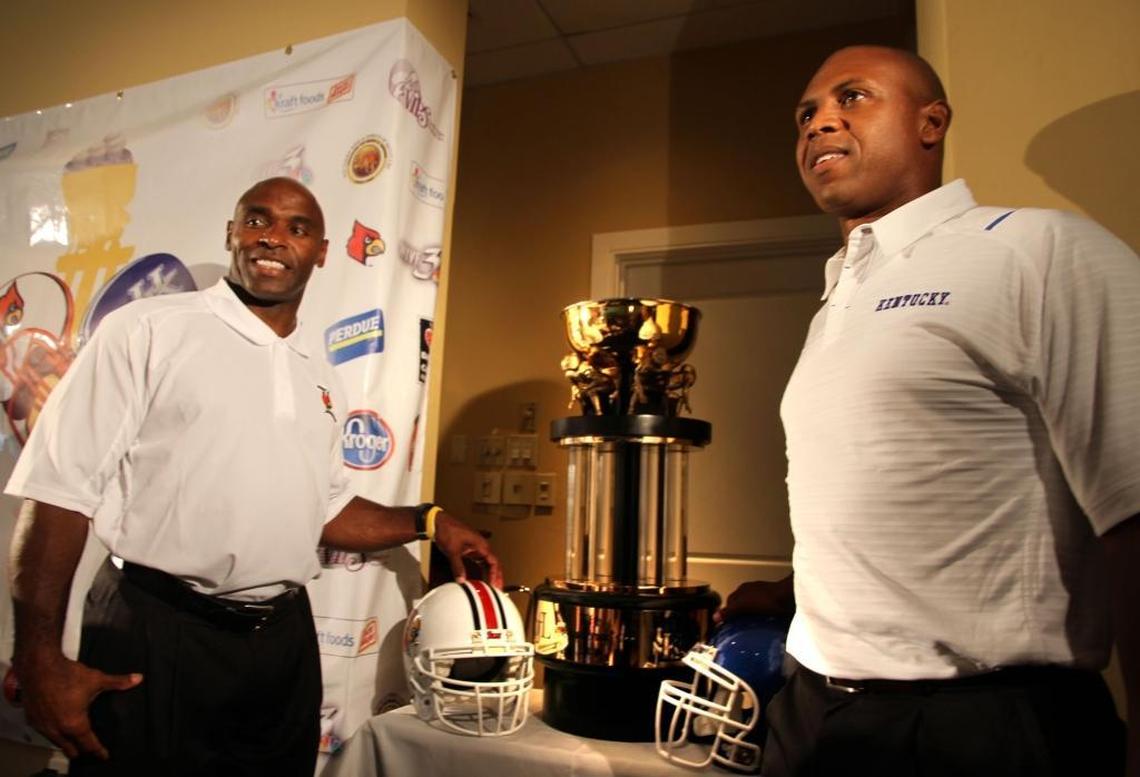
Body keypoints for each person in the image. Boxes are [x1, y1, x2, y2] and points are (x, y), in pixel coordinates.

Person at [720, 46, 1139, 776]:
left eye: (852, 98)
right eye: (806, 114)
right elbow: (898, 488)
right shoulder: (836, 301)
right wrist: (791, 591)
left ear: (931, 122)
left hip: (979, 727)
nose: (820, 122)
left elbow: (1133, 509)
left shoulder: (1039, 250)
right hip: (811, 714)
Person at [5, 177, 501, 775]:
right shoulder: (148, 329)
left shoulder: (318, 374)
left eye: (297, 228)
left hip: (281, 647)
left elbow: (327, 508)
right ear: (232, 233)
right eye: (257, 220)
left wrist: (431, 521)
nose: (273, 238)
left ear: (321, 251)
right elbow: (58, 490)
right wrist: (36, 657)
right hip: (158, 630)